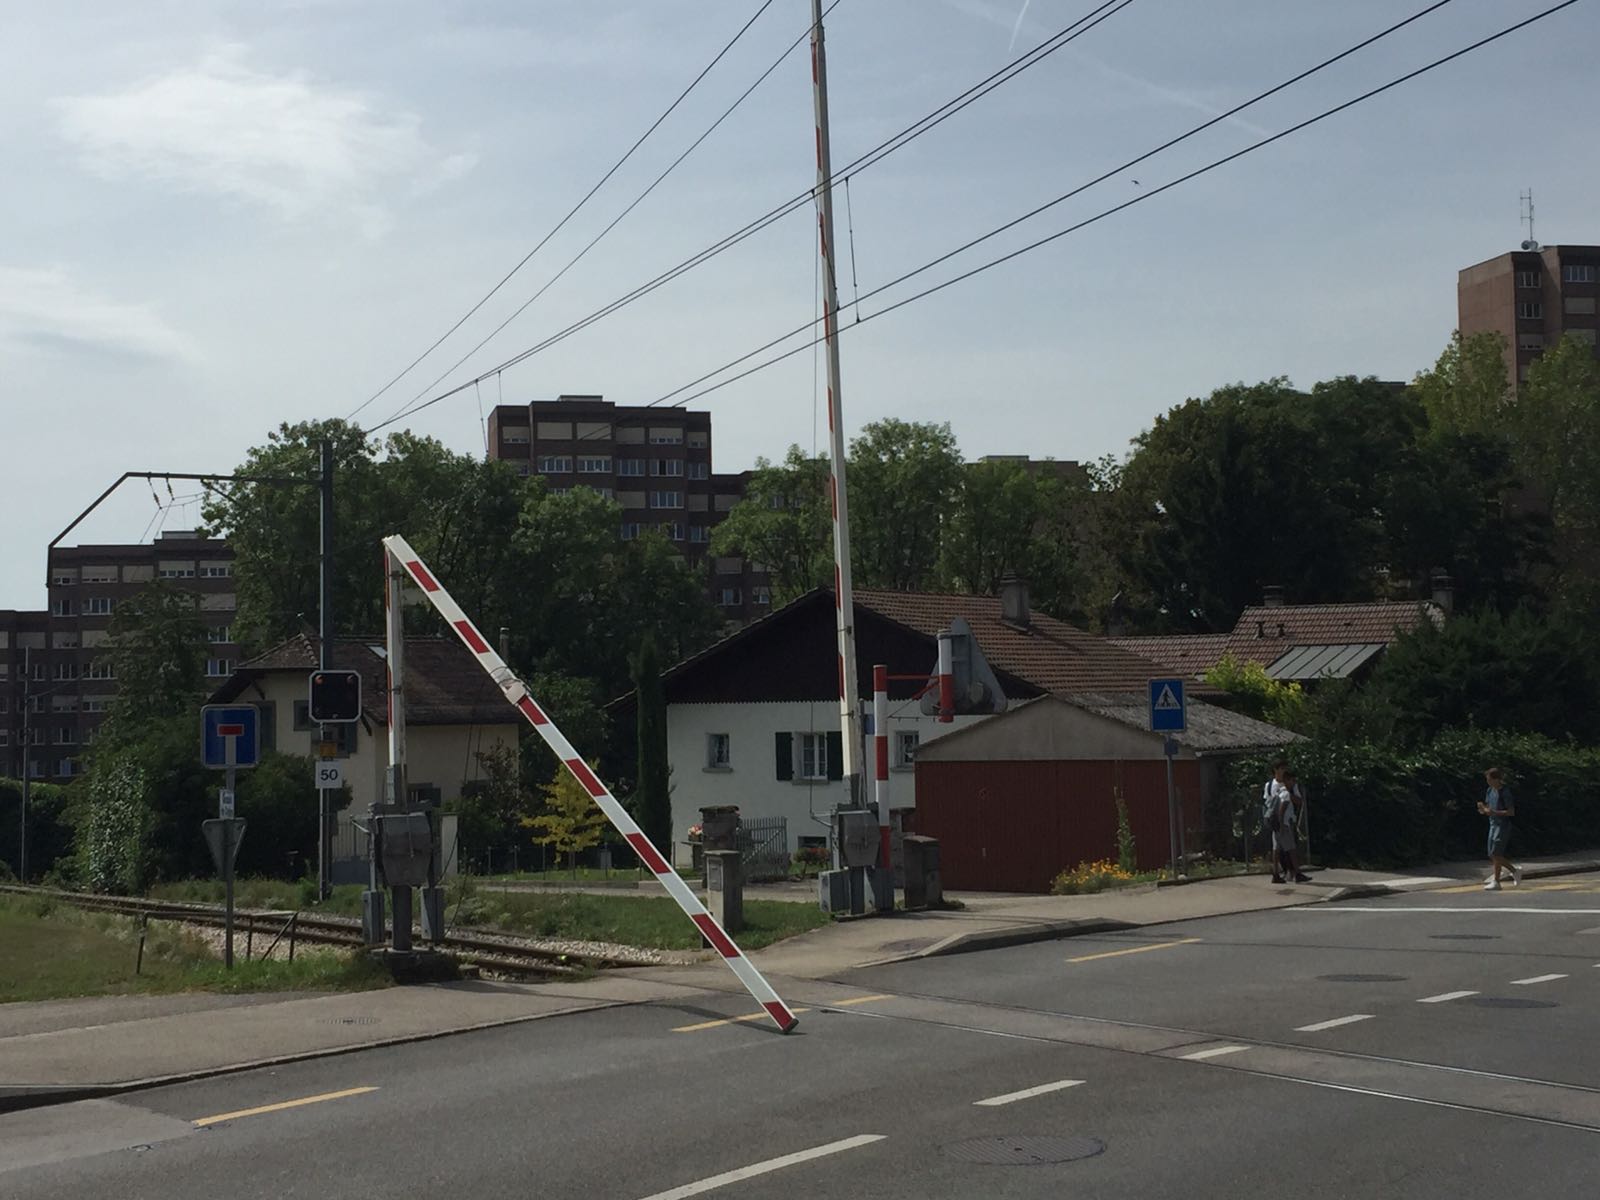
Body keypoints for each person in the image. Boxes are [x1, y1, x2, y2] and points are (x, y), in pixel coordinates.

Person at [1478, 767, 1522, 891]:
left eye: (1490, 780)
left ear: (1497, 779)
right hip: (1492, 823)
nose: (1488, 782)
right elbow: (1488, 807)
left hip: (1502, 825)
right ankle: (1514, 871)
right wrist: (1484, 810)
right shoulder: (1489, 791)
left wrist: (1494, 812)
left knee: (1496, 853)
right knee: (1491, 854)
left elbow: (1511, 812)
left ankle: (1497, 881)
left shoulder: (1505, 792)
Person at [1274, 770, 1312, 884]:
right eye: (1292, 780)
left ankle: (1280, 873)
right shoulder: (1286, 793)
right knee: (1292, 850)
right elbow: (1282, 809)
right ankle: (1297, 873)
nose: (1294, 783)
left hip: (1278, 825)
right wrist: (1281, 824)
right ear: (1286, 780)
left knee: (1279, 849)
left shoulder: (1279, 791)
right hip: (1284, 825)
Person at [1263, 759, 1288, 882]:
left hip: (1288, 818)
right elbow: (1267, 802)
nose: (1284, 771)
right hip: (1276, 819)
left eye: (1285, 769)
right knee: (1277, 847)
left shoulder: (1287, 783)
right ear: (1275, 770)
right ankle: (1276, 872)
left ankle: (1288, 870)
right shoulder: (1269, 785)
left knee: (1288, 847)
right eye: (1281, 768)